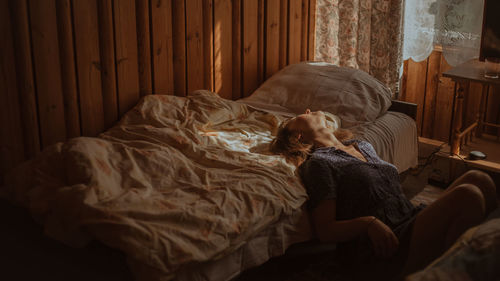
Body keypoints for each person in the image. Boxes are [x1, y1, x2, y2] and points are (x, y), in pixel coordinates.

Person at [271, 109, 498, 280]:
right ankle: (454, 269)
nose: (309, 110)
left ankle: (468, 261)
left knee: (480, 179)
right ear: (299, 136)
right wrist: (368, 223)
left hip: (408, 217)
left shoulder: (361, 145)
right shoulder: (320, 163)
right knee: (468, 196)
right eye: (301, 114)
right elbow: (325, 230)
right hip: (382, 244)